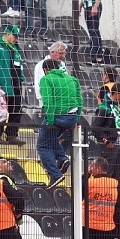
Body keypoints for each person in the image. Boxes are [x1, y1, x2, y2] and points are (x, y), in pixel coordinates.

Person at [37, 58, 83, 189]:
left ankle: (55, 174)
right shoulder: (71, 79)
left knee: (42, 146)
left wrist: (50, 121)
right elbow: (80, 101)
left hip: (58, 117)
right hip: (72, 118)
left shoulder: (46, 79)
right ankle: (62, 158)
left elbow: (48, 103)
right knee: (50, 138)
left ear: (45, 70)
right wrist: (77, 119)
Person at [0, 24, 26, 145]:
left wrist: (20, 79)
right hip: (1, 86)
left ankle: (12, 134)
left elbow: (19, 66)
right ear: (7, 34)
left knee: (16, 110)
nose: (16, 39)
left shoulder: (15, 49)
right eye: (15, 36)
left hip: (15, 85)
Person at [83, 157, 120, 239]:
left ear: (98, 168)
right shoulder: (115, 184)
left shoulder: (89, 182)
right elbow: (119, 204)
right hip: (106, 225)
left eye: (92, 166)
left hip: (88, 224)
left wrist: (87, 174)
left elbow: (79, 192)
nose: (91, 169)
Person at [92, 83, 120, 182]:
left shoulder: (118, 108)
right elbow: (96, 127)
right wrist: (105, 140)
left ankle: (116, 194)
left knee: (119, 174)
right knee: (108, 172)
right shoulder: (104, 108)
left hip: (118, 144)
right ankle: (105, 194)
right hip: (108, 146)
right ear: (116, 94)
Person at [33, 41, 68, 107]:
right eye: (60, 53)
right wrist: (44, 102)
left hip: (63, 102)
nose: (63, 56)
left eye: (64, 53)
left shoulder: (62, 64)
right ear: (52, 52)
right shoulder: (41, 65)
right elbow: (39, 85)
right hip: (49, 102)